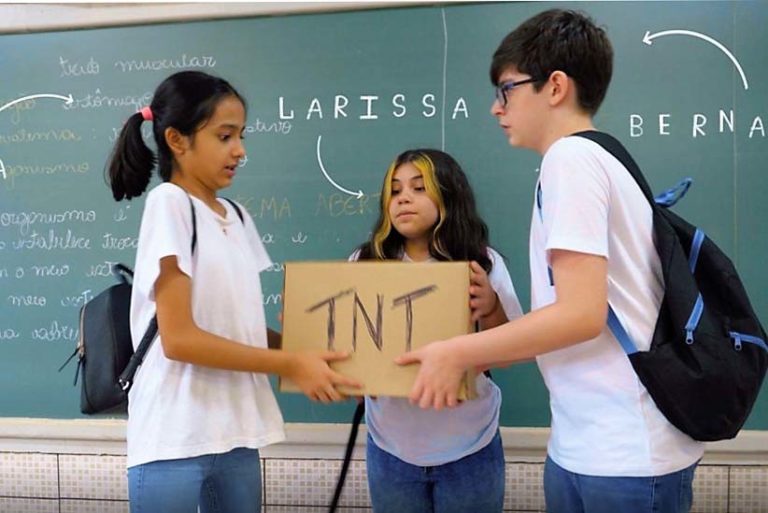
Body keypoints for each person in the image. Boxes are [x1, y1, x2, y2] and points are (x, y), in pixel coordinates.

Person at [394, 9, 704, 513]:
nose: (497, 107)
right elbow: (564, 321)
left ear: (555, 86)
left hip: (623, 453)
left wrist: (456, 351)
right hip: (590, 443)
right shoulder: (599, 157)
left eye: (507, 89)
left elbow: (580, 314)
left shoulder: (571, 159)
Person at [107, 70, 360, 513]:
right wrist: (291, 364)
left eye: (241, 136)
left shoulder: (237, 215)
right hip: (174, 437)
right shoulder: (170, 203)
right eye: (225, 136)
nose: (239, 150)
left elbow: (243, 329)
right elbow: (179, 340)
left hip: (236, 433)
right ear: (177, 140)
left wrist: (318, 357)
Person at [352, 148, 523, 513]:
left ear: (448, 194)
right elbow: (353, 350)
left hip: (470, 443)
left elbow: (511, 353)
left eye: (419, 188)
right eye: (395, 191)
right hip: (390, 445)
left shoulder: (482, 263)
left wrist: (491, 306)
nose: (403, 199)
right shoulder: (366, 263)